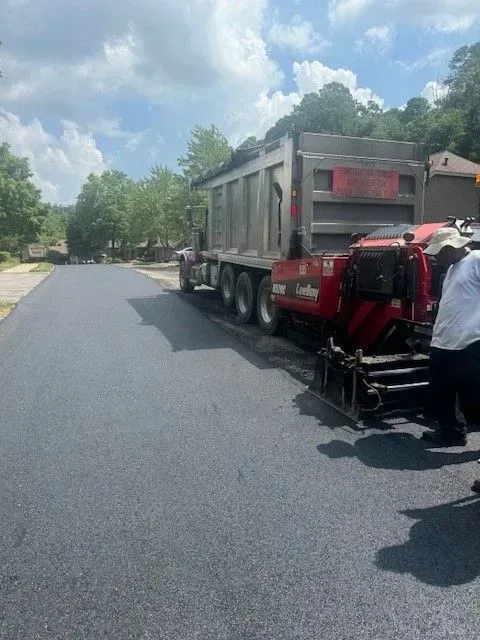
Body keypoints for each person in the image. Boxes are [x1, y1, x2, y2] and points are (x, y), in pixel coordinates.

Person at [421, 226, 480, 447]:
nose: (435, 259)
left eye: (438, 253)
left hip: (470, 341)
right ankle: (453, 433)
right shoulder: (452, 269)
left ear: (451, 248)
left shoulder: (476, 259)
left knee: (475, 395)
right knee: (441, 389)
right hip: (445, 342)